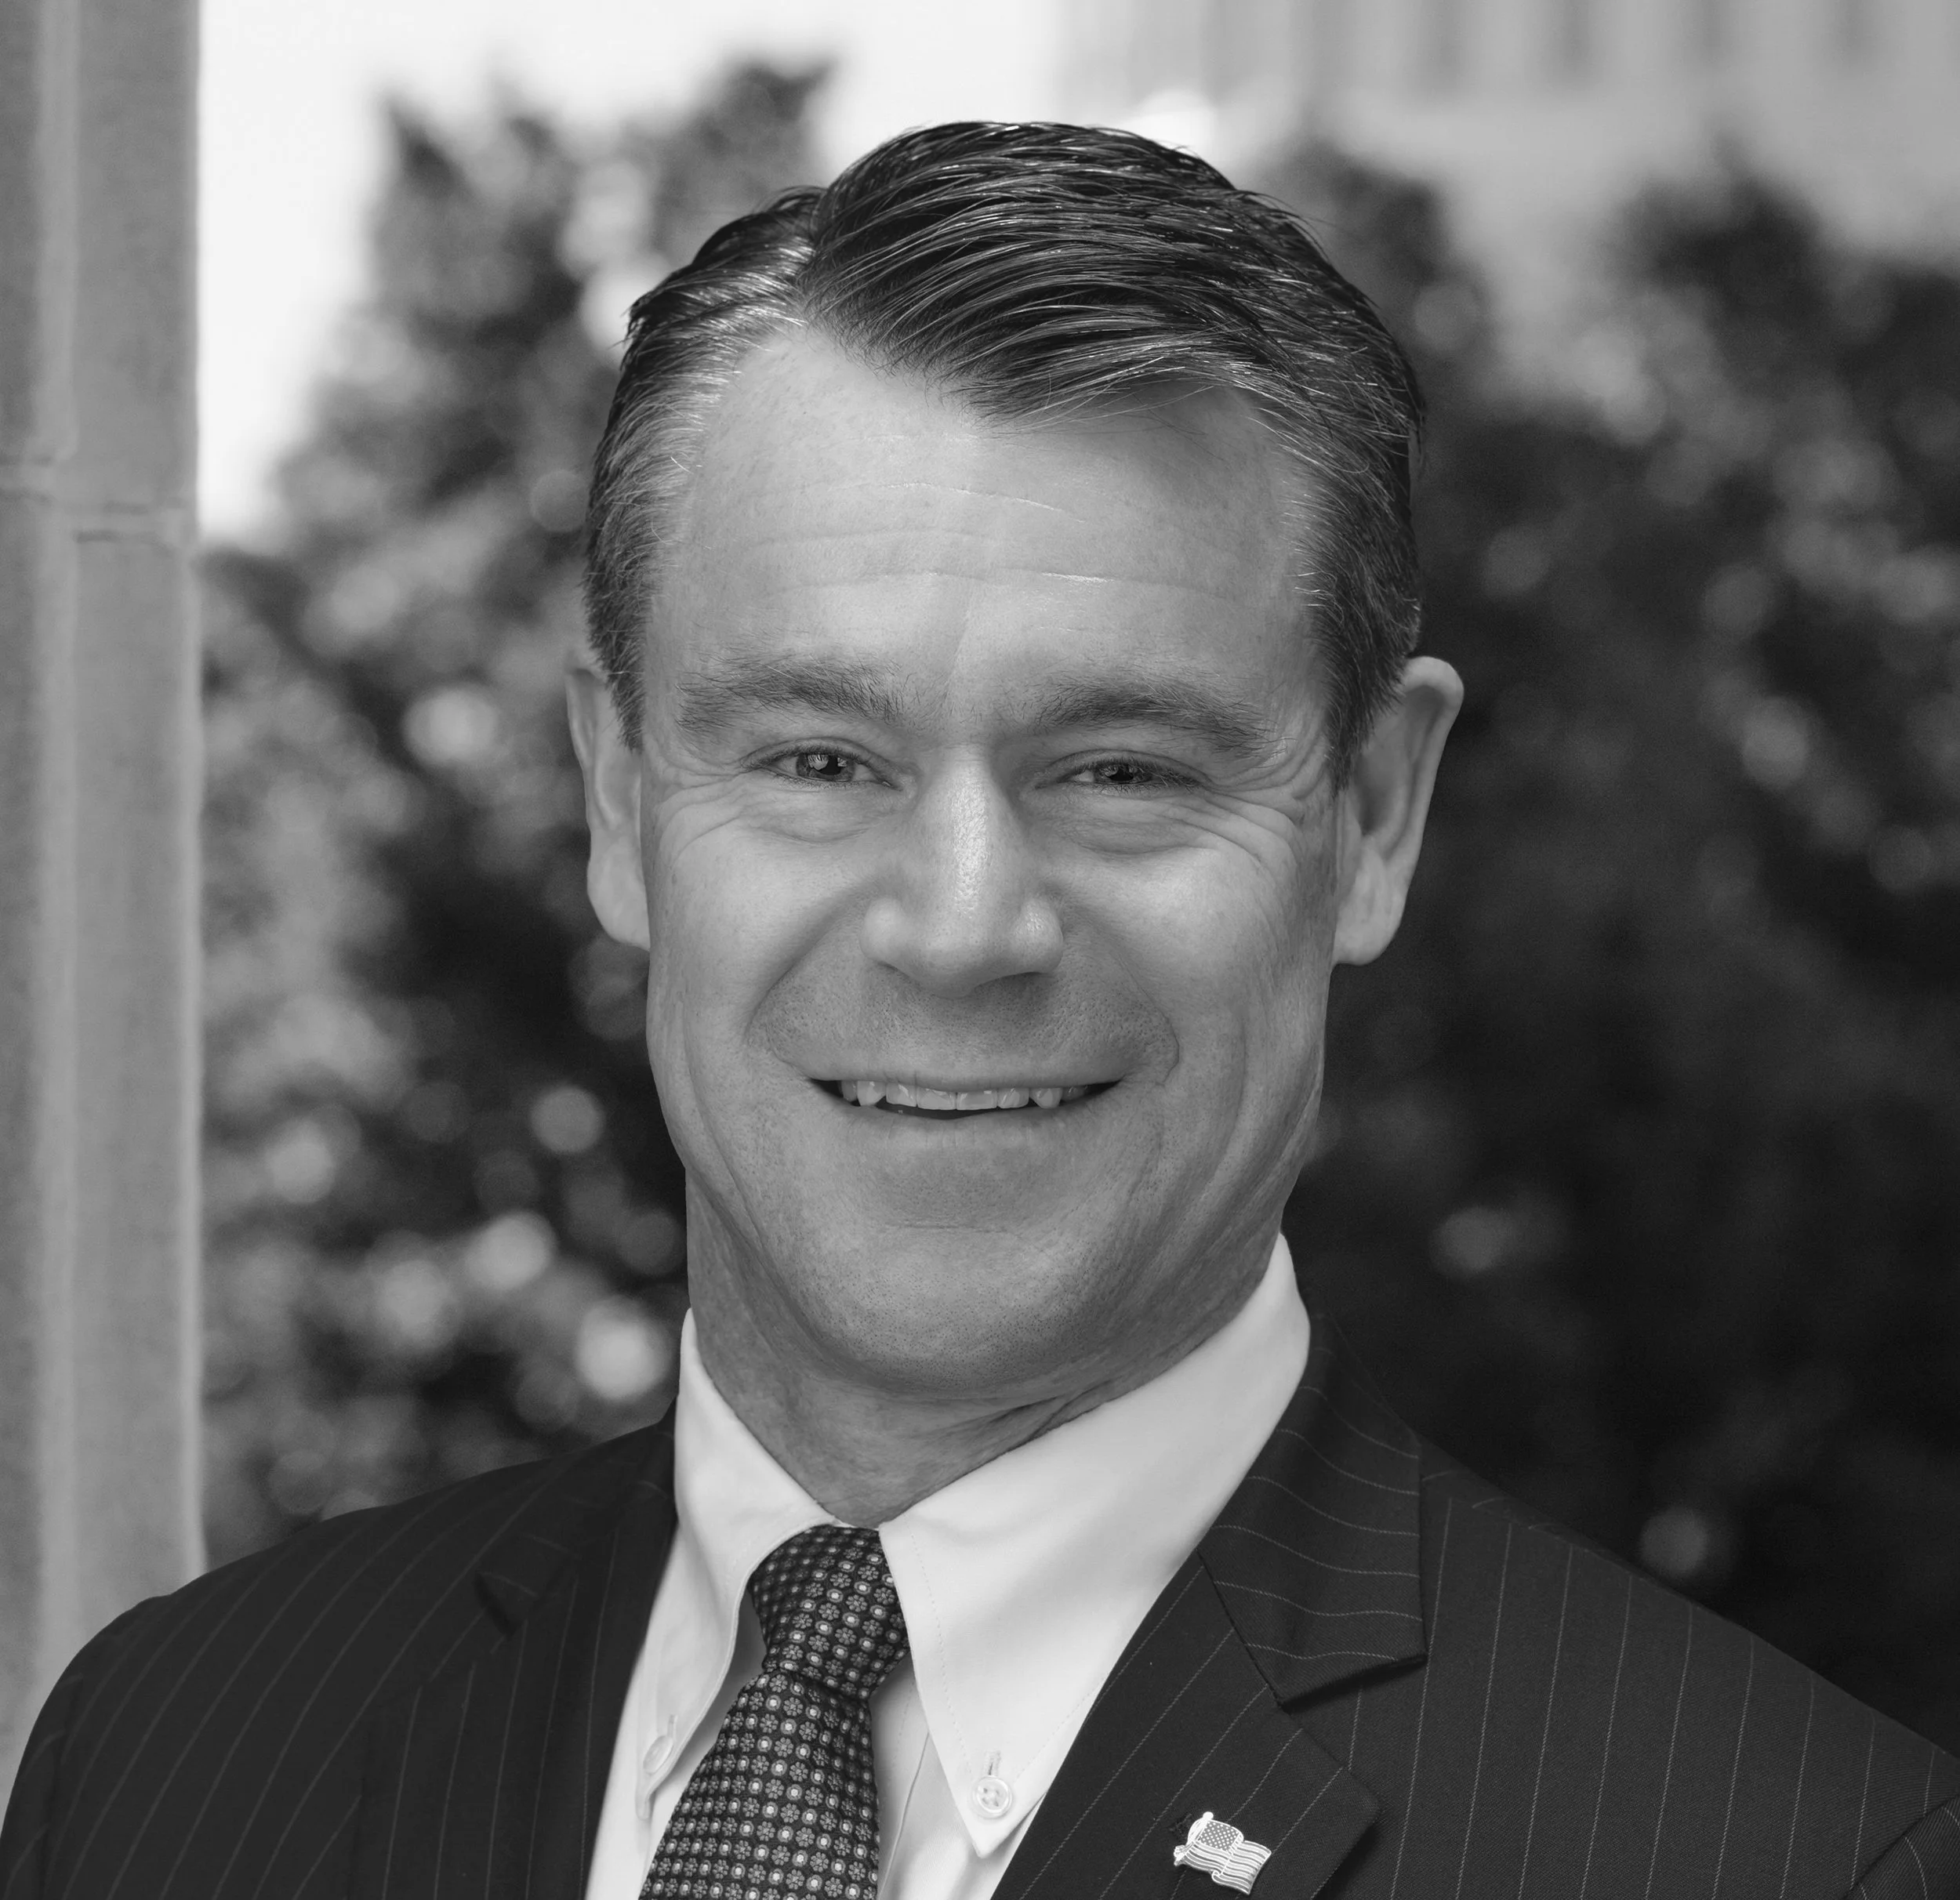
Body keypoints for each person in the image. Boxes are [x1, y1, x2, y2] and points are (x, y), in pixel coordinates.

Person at [4, 121, 1955, 1900]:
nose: (959, 928)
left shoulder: (1781, 1858)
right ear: (614, 798)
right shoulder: (170, 1762)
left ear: (1368, 819)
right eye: (818, 761)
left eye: (1118, 769)